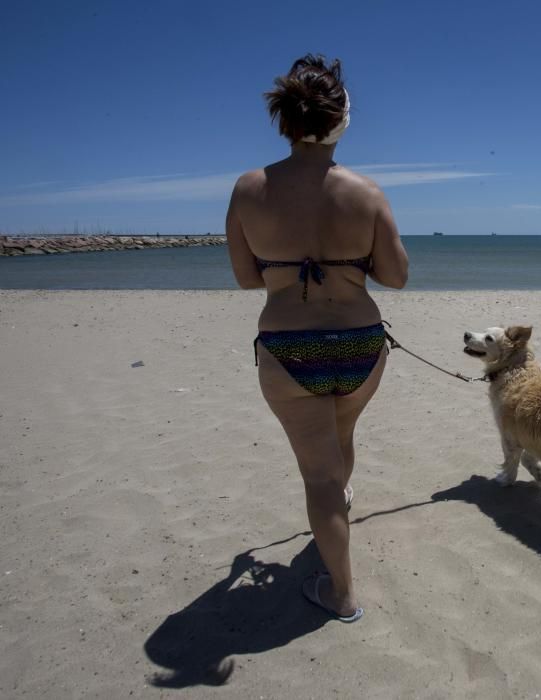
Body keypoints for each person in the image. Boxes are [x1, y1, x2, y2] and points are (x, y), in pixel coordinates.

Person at [225, 54, 409, 623]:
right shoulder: (367, 192)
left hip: (287, 350)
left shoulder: (249, 188)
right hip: (358, 344)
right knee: (341, 436)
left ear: (288, 121)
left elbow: (246, 277)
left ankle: (342, 593)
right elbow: (397, 276)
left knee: (319, 474)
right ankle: (337, 515)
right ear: (341, 119)